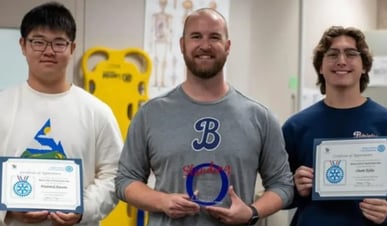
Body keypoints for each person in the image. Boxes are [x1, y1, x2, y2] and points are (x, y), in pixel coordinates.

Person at [115, 8, 294, 226]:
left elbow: (283, 185)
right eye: (196, 36)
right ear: (182, 44)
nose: (205, 45)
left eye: (215, 37)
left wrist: (252, 211)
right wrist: (161, 201)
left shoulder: (259, 117)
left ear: (228, 47)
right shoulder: (151, 114)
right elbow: (125, 180)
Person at [0, 2, 123, 226]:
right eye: (38, 42)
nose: (48, 51)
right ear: (23, 45)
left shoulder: (97, 112)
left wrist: (84, 209)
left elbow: (114, 174)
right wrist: (7, 208)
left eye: (59, 43)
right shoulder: (2, 105)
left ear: (72, 48)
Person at [282, 26, 387, 226]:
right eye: (332, 54)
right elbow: (277, 192)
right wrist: (295, 188)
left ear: (364, 66)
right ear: (320, 66)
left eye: (351, 54)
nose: (342, 61)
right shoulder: (296, 127)